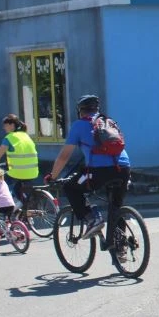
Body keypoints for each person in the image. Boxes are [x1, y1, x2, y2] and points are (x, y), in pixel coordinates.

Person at [47, 95, 131, 250]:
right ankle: (121, 247)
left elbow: (64, 156)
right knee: (116, 206)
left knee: (70, 187)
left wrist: (52, 176)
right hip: (124, 168)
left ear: (80, 111)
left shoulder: (79, 125)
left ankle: (92, 218)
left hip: (99, 172)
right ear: (96, 109)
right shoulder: (109, 122)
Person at [0, 114, 39, 208]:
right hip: (33, 172)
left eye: (5, 125)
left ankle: (9, 204)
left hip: (19, 172)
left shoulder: (9, 138)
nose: (3, 128)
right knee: (16, 188)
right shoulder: (26, 136)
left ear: (11, 125)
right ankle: (22, 210)